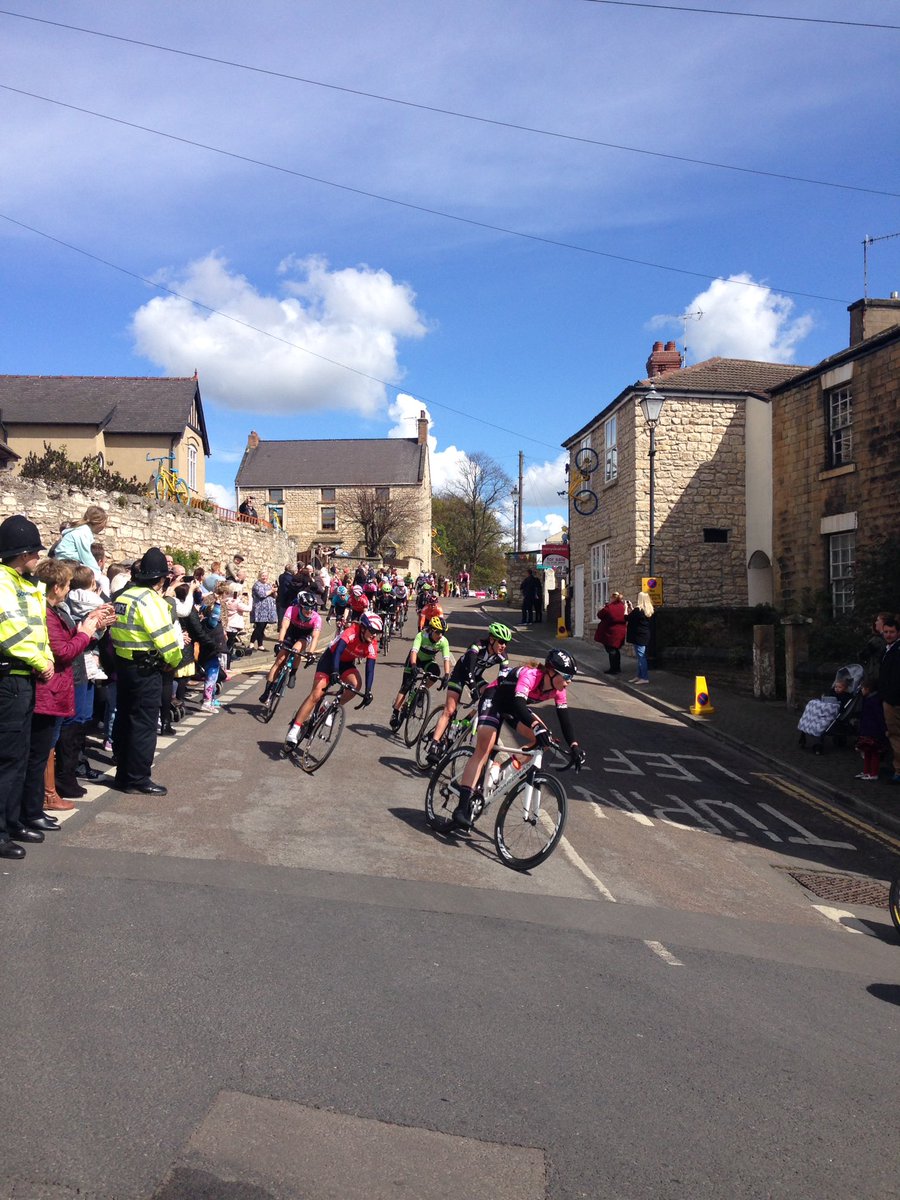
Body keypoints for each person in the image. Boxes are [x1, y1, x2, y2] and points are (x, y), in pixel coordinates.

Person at [451, 648, 585, 833]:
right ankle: (461, 808)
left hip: (513, 708)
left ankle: (501, 769)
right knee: (484, 748)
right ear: (551, 671)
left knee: (544, 740)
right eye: (566, 677)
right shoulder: (531, 675)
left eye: (571, 678)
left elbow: (564, 718)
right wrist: (536, 727)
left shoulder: (558, 689)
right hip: (495, 699)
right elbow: (519, 703)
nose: (568, 683)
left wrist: (574, 746)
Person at [23, 559, 109, 829]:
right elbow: (64, 650)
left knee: (45, 747)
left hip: (58, 685)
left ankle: (38, 803)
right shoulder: (47, 613)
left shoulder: (55, 609)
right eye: (68, 584)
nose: (70, 589)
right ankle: (36, 805)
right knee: (39, 751)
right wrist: (86, 632)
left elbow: (73, 638)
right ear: (58, 587)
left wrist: (93, 625)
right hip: (50, 687)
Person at [0, 516, 56, 859]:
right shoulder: (3, 583)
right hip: (10, 678)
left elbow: (37, 629)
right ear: (23, 554)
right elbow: (10, 633)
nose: (39, 556)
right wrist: (41, 661)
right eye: (35, 551)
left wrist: (41, 659)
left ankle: (15, 819)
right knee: (6, 759)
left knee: (18, 757)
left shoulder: (22, 582)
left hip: (24, 679)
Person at [109, 547, 184, 795]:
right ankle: (138, 778)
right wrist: (173, 660)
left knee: (124, 720)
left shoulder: (124, 597)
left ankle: (122, 775)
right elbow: (165, 639)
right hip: (146, 668)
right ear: (162, 579)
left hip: (124, 665)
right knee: (143, 724)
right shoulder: (151, 601)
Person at [283, 610, 381, 748]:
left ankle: (330, 707)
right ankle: (295, 729)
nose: (375, 635)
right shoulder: (351, 631)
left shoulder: (372, 644)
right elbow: (338, 651)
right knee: (317, 694)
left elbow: (370, 668)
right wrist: (334, 672)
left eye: (378, 632)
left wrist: (368, 691)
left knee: (355, 685)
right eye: (372, 630)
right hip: (330, 660)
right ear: (363, 627)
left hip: (346, 664)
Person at [425, 622, 512, 763]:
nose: (504, 646)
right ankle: (434, 744)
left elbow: (502, 680)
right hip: (460, 674)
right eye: (501, 642)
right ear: (491, 640)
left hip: (476, 677)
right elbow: (469, 669)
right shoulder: (477, 646)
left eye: (506, 643)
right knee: (450, 709)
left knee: (491, 694)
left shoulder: (503, 656)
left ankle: (466, 721)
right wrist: (472, 688)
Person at [389, 615, 452, 731]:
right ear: (432, 630)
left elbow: (446, 659)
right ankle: (395, 711)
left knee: (436, 672)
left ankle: (421, 692)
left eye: (443, 633)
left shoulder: (443, 641)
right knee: (406, 686)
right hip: (415, 659)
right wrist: (413, 665)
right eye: (438, 632)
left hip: (428, 661)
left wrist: (447, 675)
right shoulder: (421, 636)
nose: (440, 635)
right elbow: (414, 651)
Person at [260, 591, 322, 704]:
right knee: (279, 661)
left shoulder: (316, 618)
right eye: (306, 608)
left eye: (311, 608)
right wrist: (280, 642)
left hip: (304, 636)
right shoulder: (292, 610)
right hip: (291, 633)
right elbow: (284, 627)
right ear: (300, 606)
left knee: (296, 650)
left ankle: (293, 673)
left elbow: (315, 637)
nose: (309, 611)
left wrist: (311, 653)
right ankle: (267, 690)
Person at [51, 505, 108, 581]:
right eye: (104, 523)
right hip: (67, 563)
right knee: (103, 581)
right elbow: (86, 556)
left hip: (64, 562)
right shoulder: (83, 532)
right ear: (98, 522)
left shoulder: (81, 530)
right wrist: (98, 574)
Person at [878, 615, 900, 784]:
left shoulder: (897, 651)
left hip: (894, 701)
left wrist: (890, 699)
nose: (888, 635)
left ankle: (898, 771)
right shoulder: (888, 649)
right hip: (888, 699)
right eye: (886, 632)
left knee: (895, 735)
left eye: (891, 632)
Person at [855, 683, 888, 781]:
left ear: (868, 689)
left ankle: (873, 773)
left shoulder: (873, 701)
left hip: (873, 731)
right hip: (867, 730)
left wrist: (883, 729)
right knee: (867, 751)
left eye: (862, 688)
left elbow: (879, 717)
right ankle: (866, 772)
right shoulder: (868, 700)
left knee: (874, 753)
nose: (861, 690)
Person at [595, 592, 629, 675]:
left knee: (611, 650)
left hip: (610, 633)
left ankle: (614, 669)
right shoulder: (623, 606)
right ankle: (617, 667)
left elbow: (600, 615)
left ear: (613, 598)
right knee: (616, 650)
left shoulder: (609, 607)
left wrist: (603, 608)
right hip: (620, 632)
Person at [626, 592, 654, 684]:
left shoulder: (638, 610)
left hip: (638, 636)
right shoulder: (648, 610)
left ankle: (644, 677)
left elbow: (627, 618)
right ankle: (639, 676)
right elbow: (636, 616)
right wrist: (632, 607)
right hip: (645, 635)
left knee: (641, 657)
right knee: (641, 656)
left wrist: (626, 609)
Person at [250, 570, 277, 650]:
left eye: (266, 576)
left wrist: (274, 591)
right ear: (259, 576)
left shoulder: (268, 585)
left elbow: (274, 596)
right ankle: (251, 643)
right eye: (263, 576)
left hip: (267, 610)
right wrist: (271, 591)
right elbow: (262, 594)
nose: (264, 577)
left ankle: (260, 644)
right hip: (260, 609)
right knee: (259, 627)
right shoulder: (257, 585)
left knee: (262, 627)